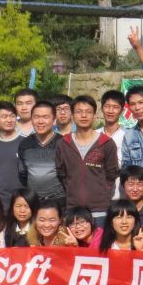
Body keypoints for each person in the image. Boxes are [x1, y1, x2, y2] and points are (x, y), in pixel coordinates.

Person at [55, 95, 119, 227]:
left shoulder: (106, 143)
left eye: (88, 112)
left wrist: (101, 193)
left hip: (100, 211)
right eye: (79, 112)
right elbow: (61, 174)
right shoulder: (63, 144)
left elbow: (111, 175)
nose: (84, 115)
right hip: (73, 210)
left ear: (94, 115)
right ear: (72, 115)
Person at [17, 100, 67, 210]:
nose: (40, 121)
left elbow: (70, 175)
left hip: (59, 202)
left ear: (54, 120)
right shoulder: (25, 144)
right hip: (33, 202)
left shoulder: (64, 143)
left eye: (45, 117)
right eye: (36, 117)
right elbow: (23, 174)